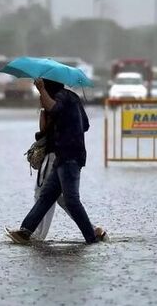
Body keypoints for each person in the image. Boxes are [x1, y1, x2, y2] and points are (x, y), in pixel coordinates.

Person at [6, 78, 107, 244]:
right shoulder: (71, 97)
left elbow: (55, 109)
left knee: (71, 200)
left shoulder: (62, 98)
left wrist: (42, 92)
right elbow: (85, 124)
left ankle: (92, 236)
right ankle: (25, 232)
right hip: (63, 156)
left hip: (69, 156)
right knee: (46, 196)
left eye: (42, 85)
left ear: (48, 85)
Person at [31, 103, 107, 241]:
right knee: (62, 198)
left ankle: (37, 234)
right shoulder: (66, 105)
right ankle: (93, 230)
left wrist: (43, 111)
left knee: (43, 194)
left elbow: (44, 131)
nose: (39, 97)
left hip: (55, 155)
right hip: (62, 155)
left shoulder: (54, 106)